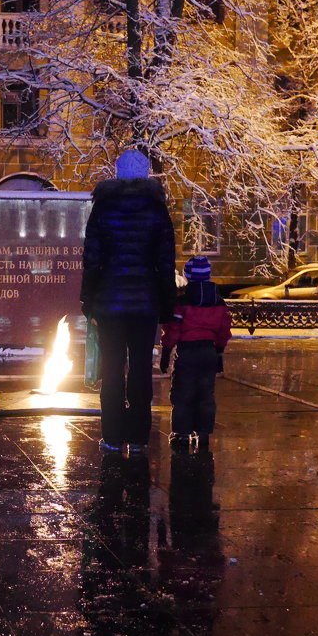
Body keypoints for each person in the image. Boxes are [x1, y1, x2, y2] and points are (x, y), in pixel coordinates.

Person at [80, 149, 176, 455]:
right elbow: (165, 261)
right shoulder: (157, 209)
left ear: (118, 173)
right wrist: (167, 305)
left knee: (112, 368)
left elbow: (92, 259)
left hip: (109, 302)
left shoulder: (103, 207)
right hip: (145, 303)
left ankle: (111, 436)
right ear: (147, 174)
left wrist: (88, 300)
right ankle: (137, 438)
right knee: (139, 372)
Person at [159, 255, 232, 451]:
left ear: (187, 276)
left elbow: (173, 328)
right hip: (209, 351)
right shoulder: (218, 300)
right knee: (206, 394)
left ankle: (182, 434)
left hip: (188, 353)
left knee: (183, 393)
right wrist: (219, 352)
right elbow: (224, 329)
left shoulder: (182, 301)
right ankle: (204, 433)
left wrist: (166, 352)